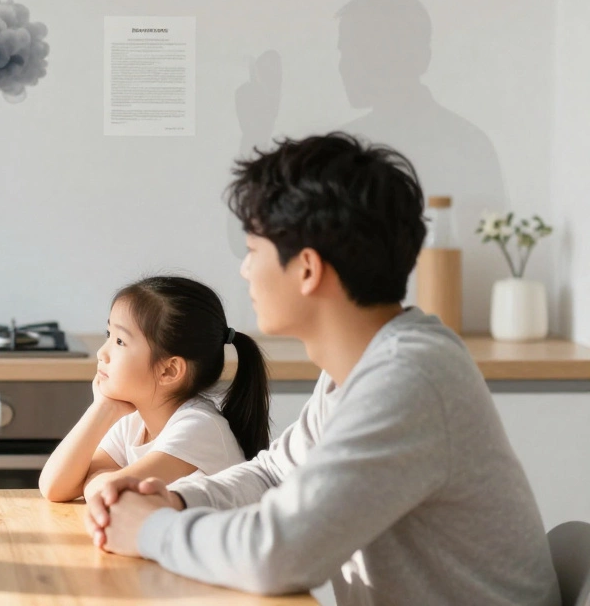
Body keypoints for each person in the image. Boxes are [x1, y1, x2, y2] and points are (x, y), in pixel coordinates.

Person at [87, 133, 558, 605]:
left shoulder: (409, 378)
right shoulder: (360, 368)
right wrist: (175, 499)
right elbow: (274, 475)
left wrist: (151, 529)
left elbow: (280, 555)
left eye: (253, 251)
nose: (245, 271)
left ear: (308, 270)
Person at [38, 276, 269, 503]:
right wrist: (101, 408)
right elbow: (54, 487)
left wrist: (95, 479)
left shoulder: (199, 428)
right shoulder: (133, 422)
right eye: (109, 335)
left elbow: (110, 495)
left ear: (169, 370)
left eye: (120, 341)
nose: (101, 353)